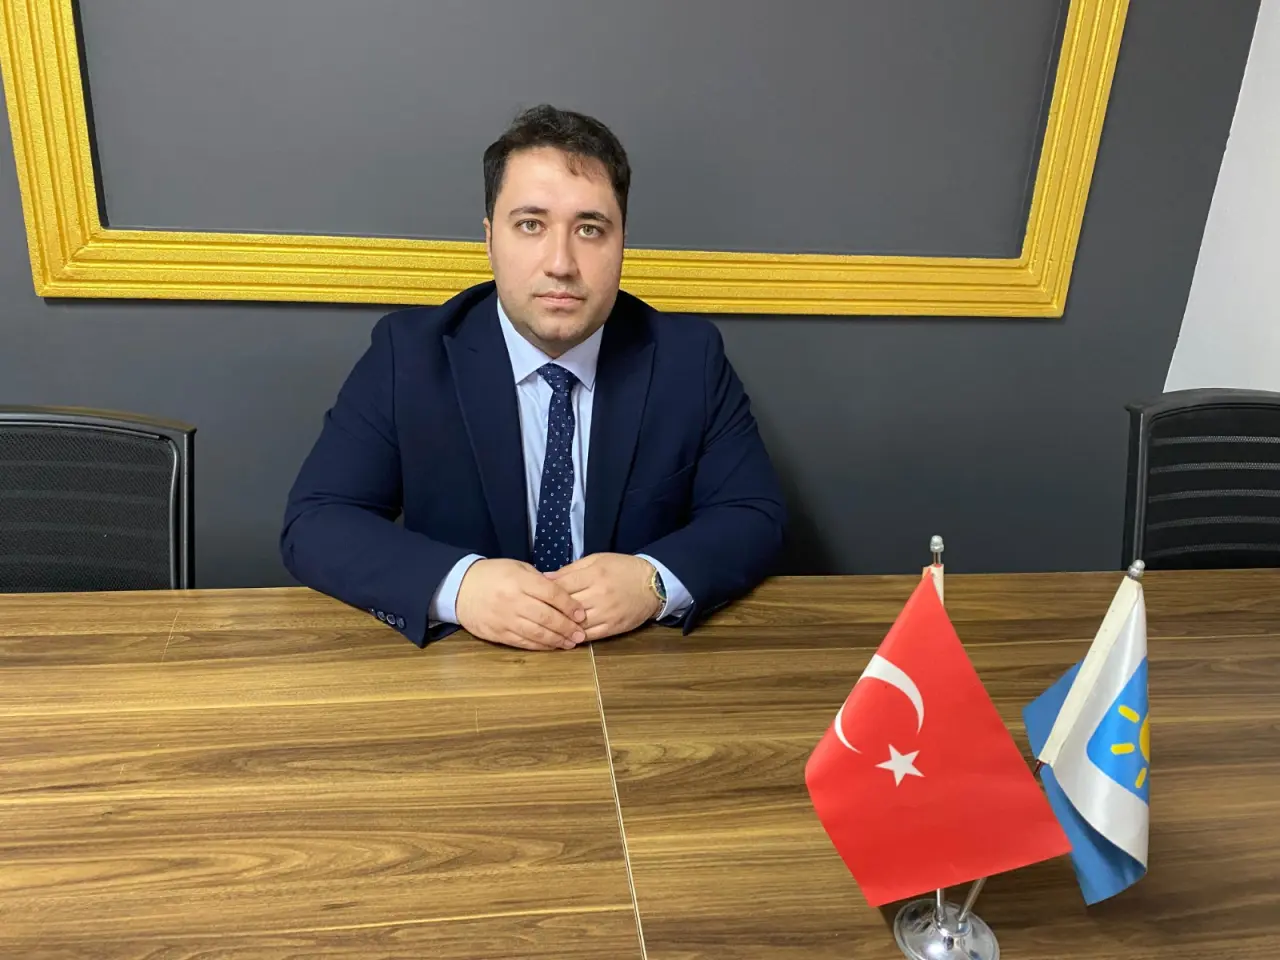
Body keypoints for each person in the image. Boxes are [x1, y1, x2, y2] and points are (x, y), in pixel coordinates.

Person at [281, 104, 785, 651]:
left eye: (589, 229)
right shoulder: (409, 353)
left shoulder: (689, 357)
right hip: (465, 670)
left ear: (622, 242)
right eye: (530, 225)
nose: (560, 263)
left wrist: (653, 580)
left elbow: (754, 516)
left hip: (638, 666)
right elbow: (316, 521)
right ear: (489, 239)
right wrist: (460, 586)